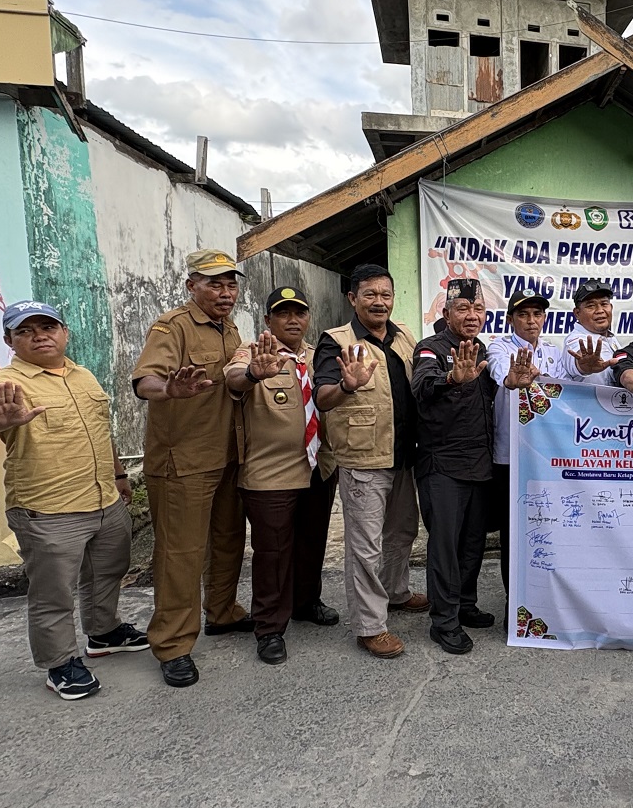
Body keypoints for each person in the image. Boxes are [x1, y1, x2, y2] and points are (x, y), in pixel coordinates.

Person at [0, 301, 148, 700]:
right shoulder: (3, 383)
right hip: (48, 509)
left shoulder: (83, 376)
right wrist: (0, 418)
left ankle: (103, 633)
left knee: (107, 573)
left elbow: (100, 431)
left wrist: (119, 475)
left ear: (64, 332)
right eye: (26, 330)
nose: (41, 335)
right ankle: (60, 664)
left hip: (104, 499)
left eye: (48, 326)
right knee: (53, 593)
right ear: (9, 340)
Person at [131, 248, 252, 688]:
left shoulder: (230, 328)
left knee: (228, 539)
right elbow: (145, 381)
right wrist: (170, 389)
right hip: (182, 459)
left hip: (227, 454)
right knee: (180, 554)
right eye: (214, 284)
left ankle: (222, 611)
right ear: (191, 286)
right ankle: (173, 643)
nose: (225, 292)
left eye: (230, 284)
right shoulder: (172, 326)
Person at [412, 279, 538, 654]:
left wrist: (512, 384)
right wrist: (452, 377)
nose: (471, 316)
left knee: (472, 545)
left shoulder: (483, 350)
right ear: (446, 313)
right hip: (443, 466)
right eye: (463, 309)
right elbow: (423, 385)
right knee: (445, 547)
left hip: (479, 465)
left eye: (478, 309)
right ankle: (444, 621)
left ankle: (465, 605)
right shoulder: (430, 349)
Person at [313, 264, 426, 661]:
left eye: (385, 294)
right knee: (365, 547)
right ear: (353, 299)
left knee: (402, 533)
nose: (379, 301)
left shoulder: (403, 336)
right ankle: (369, 626)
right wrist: (347, 384)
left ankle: (395, 592)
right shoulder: (336, 342)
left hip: (404, 455)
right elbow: (322, 397)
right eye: (370, 294)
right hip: (364, 458)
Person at [225, 287, 341, 666]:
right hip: (270, 473)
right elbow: (233, 379)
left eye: (300, 313)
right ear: (268, 320)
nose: (293, 320)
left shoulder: (314, 355)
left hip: (317, 466)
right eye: (283, 313)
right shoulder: (253, 351)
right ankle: (269, 627)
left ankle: (305, 602)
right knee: (273, 552)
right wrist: (252, 374)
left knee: (312, 541)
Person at [486, 290, 570, 592]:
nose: (531, 320)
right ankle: (515, 599)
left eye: (537, 314)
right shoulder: (499, 348)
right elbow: (501, 376)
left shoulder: (553, 351)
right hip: (511, 455)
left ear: (544, 318)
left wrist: (541, 378)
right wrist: (514, 379)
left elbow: (562, 392)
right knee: (514, 531)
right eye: (523, 314)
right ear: (511, 320)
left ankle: (544, 593)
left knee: (548, 524)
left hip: (548, 454)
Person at [563, 280, 620, 385]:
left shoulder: (610, 337)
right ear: (577, 313)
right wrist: (584, 366)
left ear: (611, 308)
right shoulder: (575, 340)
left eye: (604, 304)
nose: (599, 310)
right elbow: (579, 356)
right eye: (591, 306)